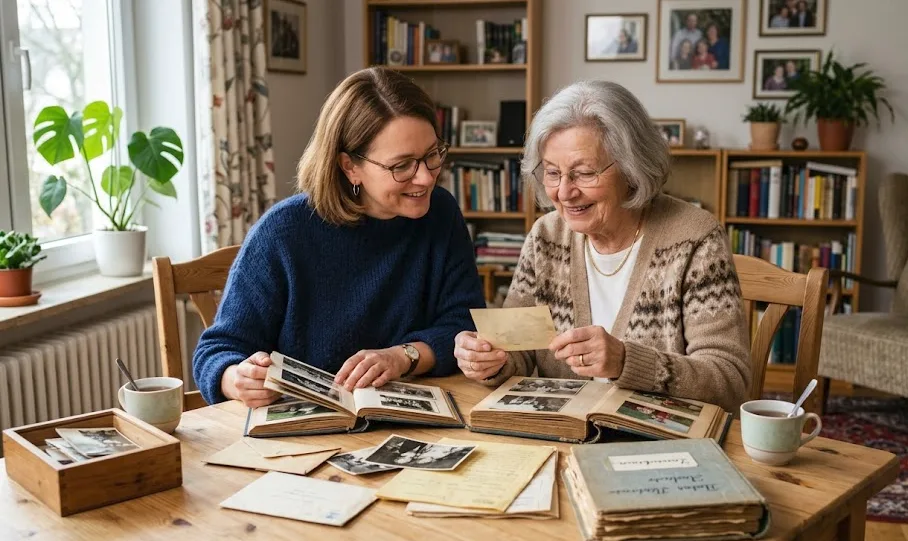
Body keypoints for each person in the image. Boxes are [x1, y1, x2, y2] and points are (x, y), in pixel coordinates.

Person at [193, 67, 486, 408]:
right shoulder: (284, 232)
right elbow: (216, 351)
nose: (425, 178)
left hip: (412, 420)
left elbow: (464, 325)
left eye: (432, 155)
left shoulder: (441, 213)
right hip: (304, 432)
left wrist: (402, 356)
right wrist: (237, 379)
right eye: (402, 165)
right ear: (349, 166)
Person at [453, 81, 751, 413]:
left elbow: (730, 381)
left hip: (657, 445)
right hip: (563, 435)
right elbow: (518, 350)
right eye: (552, 173)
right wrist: (488, 359)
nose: (564, 192)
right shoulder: (546, 238)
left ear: (632, 168)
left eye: (582, 173)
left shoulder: (695, 238)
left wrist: (627, 361)